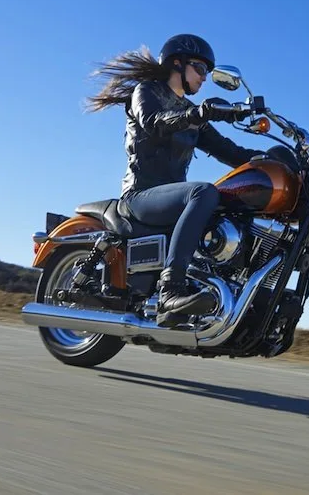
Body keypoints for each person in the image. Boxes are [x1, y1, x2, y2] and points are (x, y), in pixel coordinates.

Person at [86, 34, 264, 327]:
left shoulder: (192, 116)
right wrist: (199, 113)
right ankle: (170, 291)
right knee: (204, 192)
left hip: (170, 199)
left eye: (207, 71)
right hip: (141, 196)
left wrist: (272, 159)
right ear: (177, 64)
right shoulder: (147, 92)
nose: (204, 78)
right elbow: (155, 122)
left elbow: (231, 152)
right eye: (201, 69)